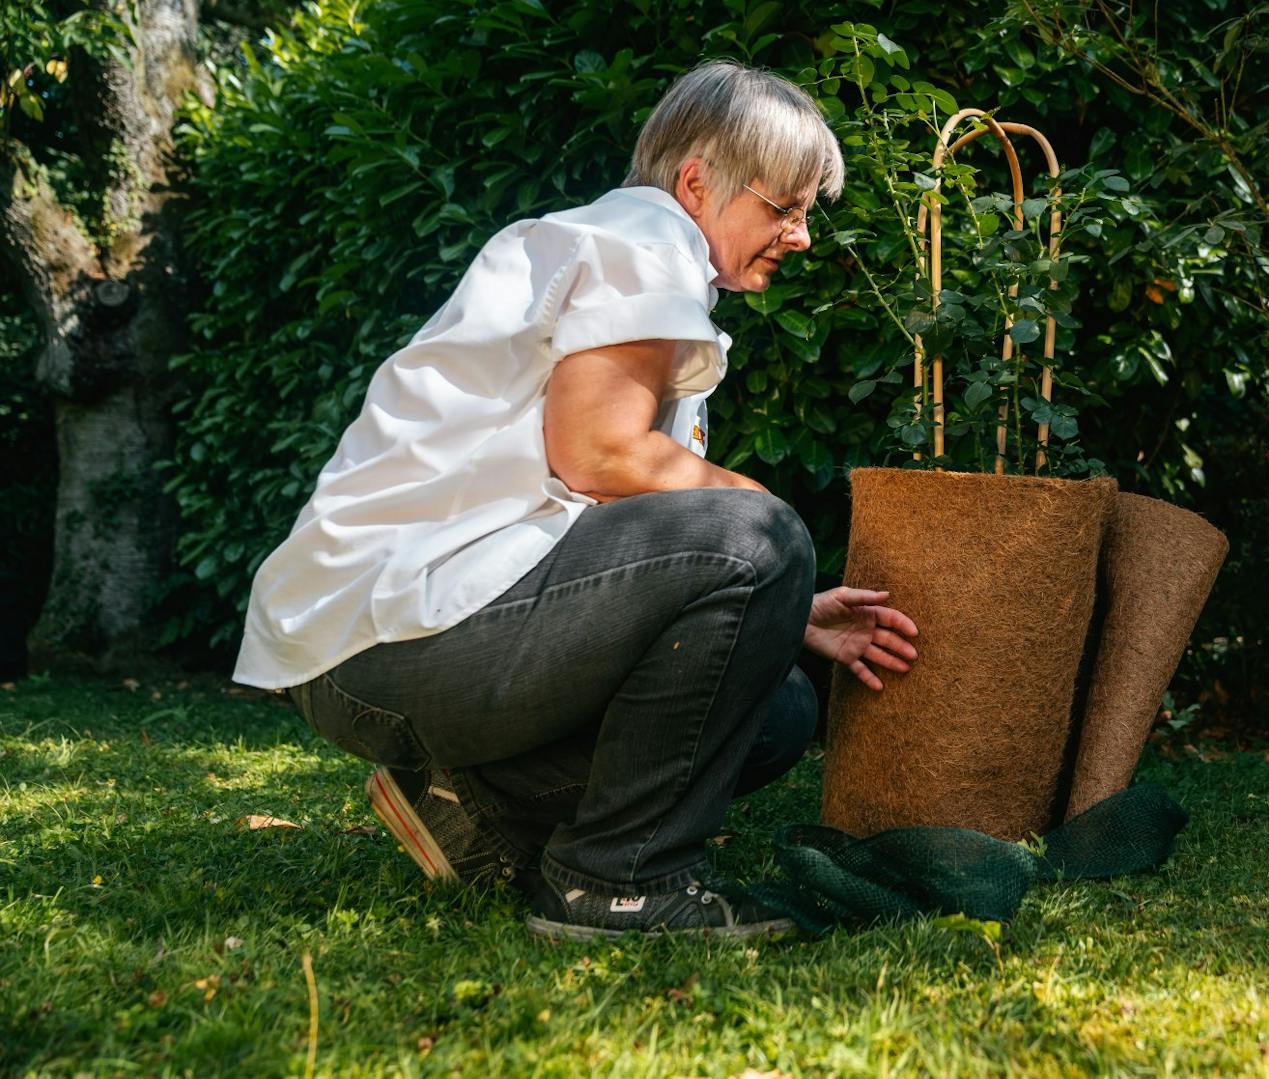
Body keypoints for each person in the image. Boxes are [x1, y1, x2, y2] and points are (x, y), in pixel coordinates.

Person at [232, 61, 920, 941]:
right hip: (388, 635)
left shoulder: (638, 254)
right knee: (758, 533)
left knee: (777, 710)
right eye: (782, 207)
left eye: (804, 213)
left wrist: (778, 609)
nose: (800, 235)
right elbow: (599, 455)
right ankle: (616, 884)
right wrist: (764, 546)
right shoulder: (646, 238)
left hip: (392, 640)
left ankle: (476, 812)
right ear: (698, 181)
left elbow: (600, 516)